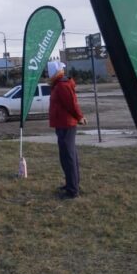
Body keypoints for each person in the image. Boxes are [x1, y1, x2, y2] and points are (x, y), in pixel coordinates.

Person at [48, 62, 86, 198]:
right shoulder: (58, 84)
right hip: (62, 124)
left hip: (66, 125)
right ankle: (71, 183)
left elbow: (72, 104)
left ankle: (72, 190)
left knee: (68, 157)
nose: (48, 74)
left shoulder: (62, 85)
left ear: (54, 72)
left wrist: (80, 117)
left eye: (49, 71)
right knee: (67, 156)